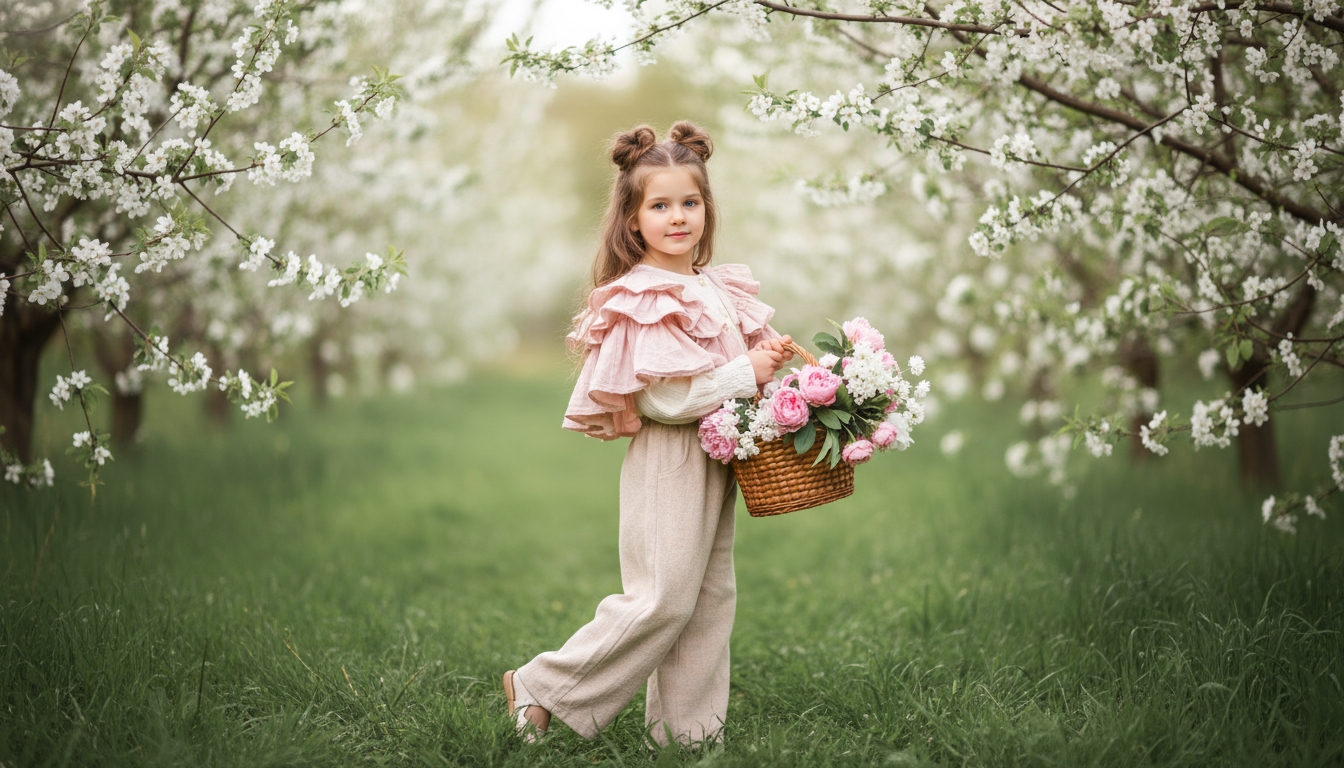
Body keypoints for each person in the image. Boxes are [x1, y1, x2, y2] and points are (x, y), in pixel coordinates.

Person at [502, 121, 794, 748]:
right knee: (660, 596)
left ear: (706, 208)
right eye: (659, 205)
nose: (678, 217)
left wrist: (768, 354)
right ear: (634, 221)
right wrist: (745, 371)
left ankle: (688, 734)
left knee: (709, 596)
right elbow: (662, 399)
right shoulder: (643, 295)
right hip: (669, 458)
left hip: (718, 455)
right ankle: (541, 685)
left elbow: (727, 361)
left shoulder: (713, 287)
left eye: (690, 202)